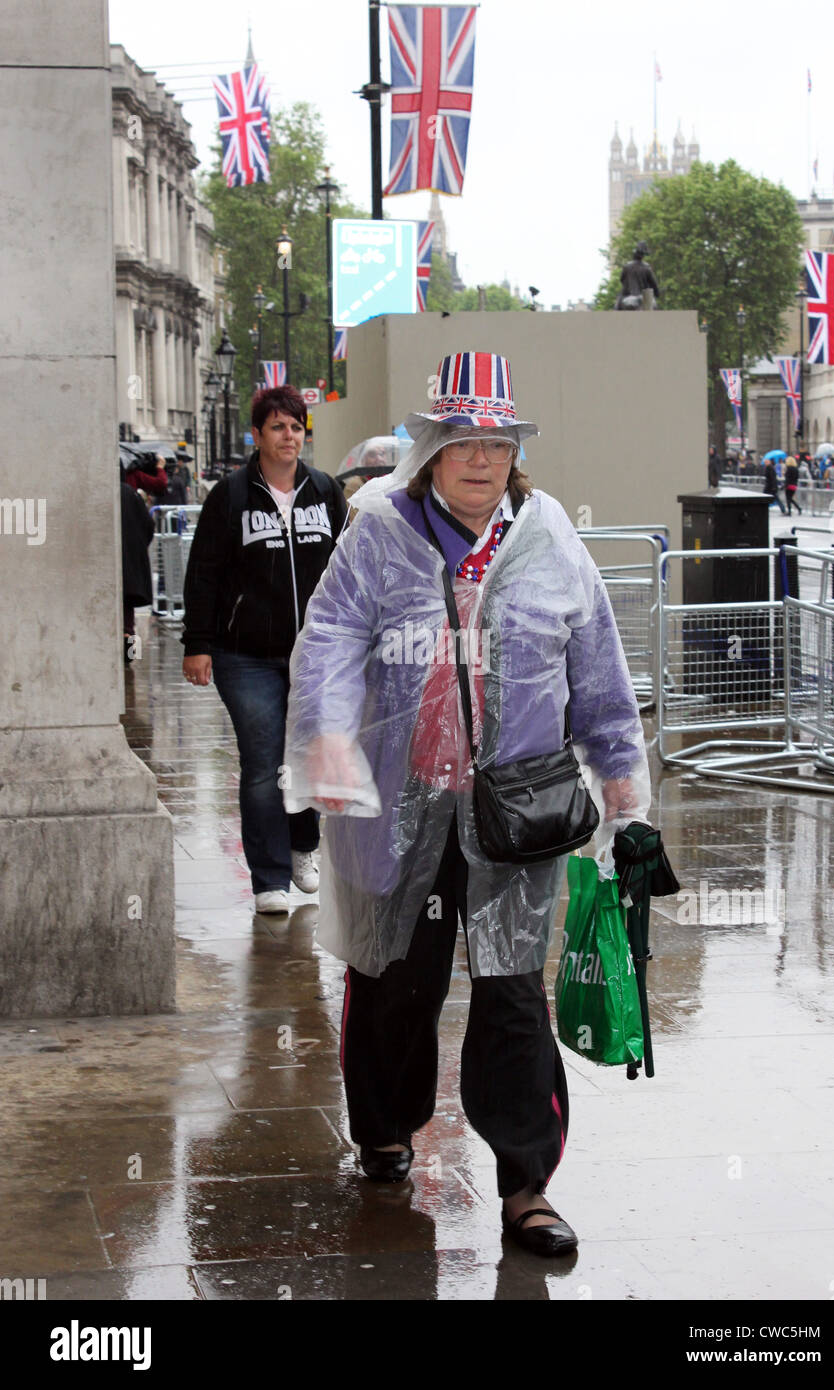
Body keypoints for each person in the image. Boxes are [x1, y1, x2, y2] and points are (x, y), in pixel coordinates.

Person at [282, 352, 650, 1255]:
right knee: (391, 980)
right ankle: (384, 1128)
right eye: (461, 442)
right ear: (430, 454)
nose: (480, 459)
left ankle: (526, 1187)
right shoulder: (378, 528)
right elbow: (327, 636)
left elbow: (596, 668)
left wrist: (625, 792)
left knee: (512, 993)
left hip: (516, 809)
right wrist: (326, 734)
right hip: (396, 804)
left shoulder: (549, 533)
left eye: (495, 442)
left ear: (511, 453)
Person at [181, 385, 348, 913]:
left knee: (310, 754)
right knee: (263, 761)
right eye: (278, 427)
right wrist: (197, 644)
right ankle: (268, 879)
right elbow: (203, 574)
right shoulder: (230, 496)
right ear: (258, 435)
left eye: (297, 427)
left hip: (316, 653)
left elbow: (349, 568)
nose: (289, 436)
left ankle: (304, 846)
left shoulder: (324, 491)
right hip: (245, 655)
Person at [119, 461, 155, 663]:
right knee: (128, 611)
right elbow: (149, 524)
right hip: (131, 560)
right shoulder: (132, 494)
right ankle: (130, 652)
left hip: (112, 561)